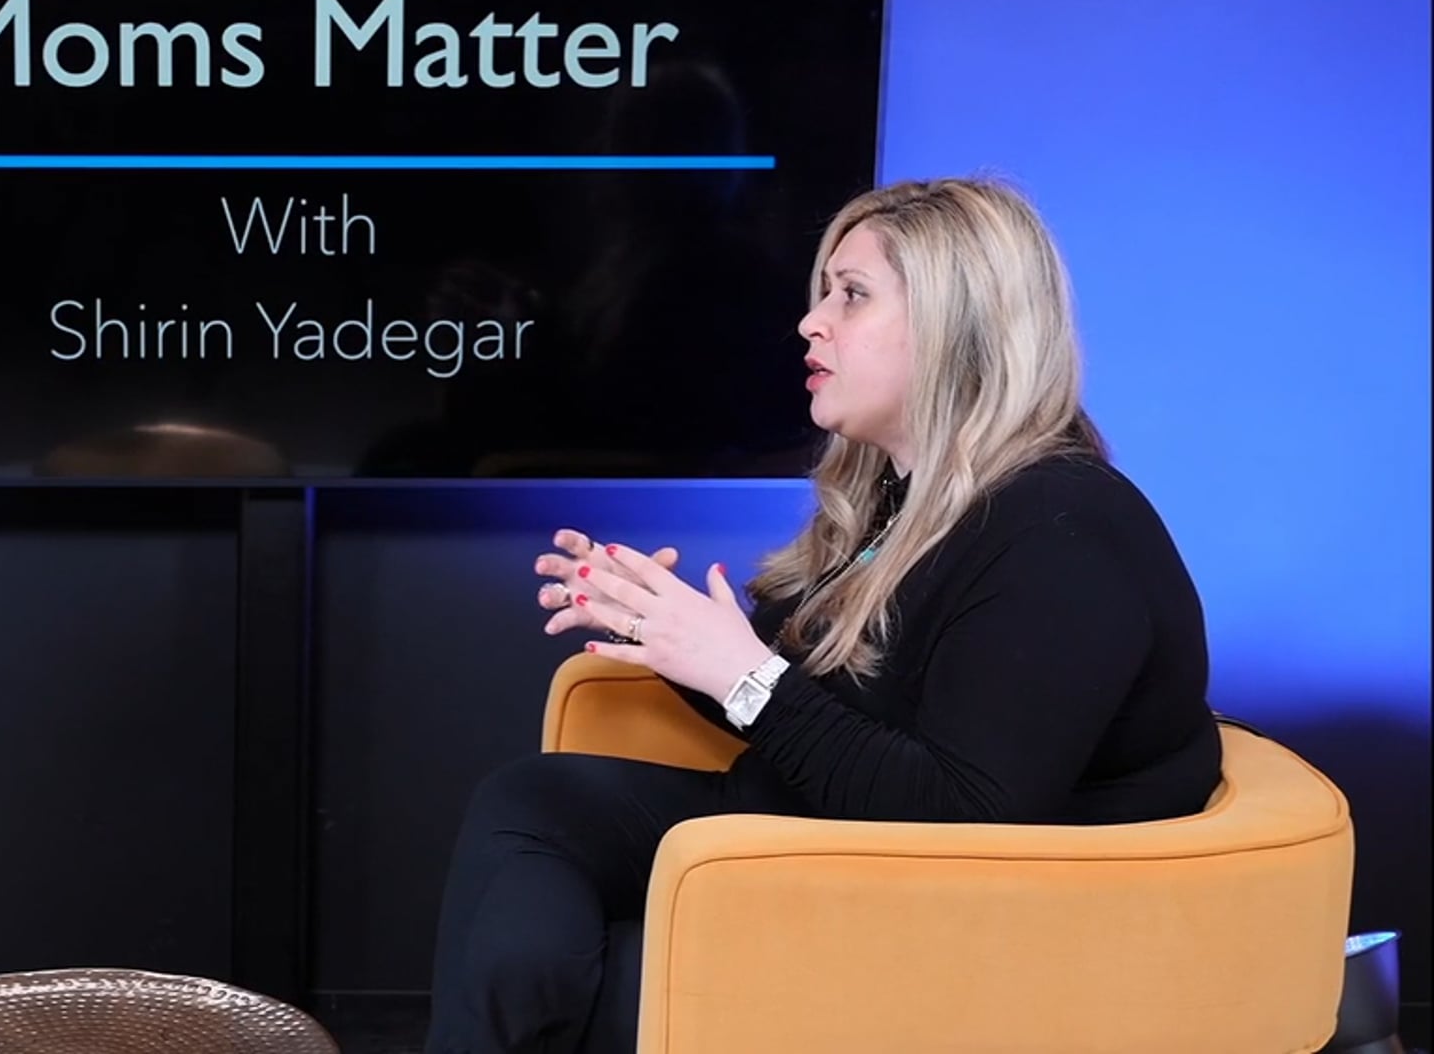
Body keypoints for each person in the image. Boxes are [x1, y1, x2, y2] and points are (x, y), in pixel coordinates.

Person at [424, 176, 1222, 1054]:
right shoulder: (908, 497)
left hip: (961, 907)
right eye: (823, 294)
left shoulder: (1060, 529)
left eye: (852, 295)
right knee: (531, 803)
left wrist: (740, 673)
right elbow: (807, 690)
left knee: (595, 977)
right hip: (834, 832)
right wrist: (664, 628)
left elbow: (969, 815)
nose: (811, 323)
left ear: (956, 325)